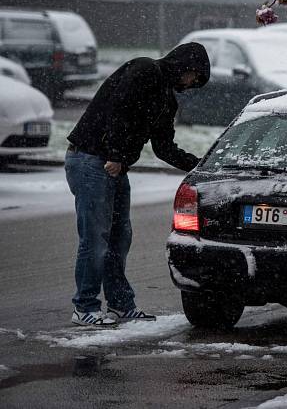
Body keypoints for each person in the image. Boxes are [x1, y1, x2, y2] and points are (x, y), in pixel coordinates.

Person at [65, 42, 210, 326]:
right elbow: (119, 109)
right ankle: (84, 307)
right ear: (184, 65)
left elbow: (163, 147)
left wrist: (200, 166)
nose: (192, 83)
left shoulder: (167, 100)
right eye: (194, 76)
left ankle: (120, 305)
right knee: (95, 239)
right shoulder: (144, 70)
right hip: (92, 158)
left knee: (119, 239)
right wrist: (116, 154)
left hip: (113, 167)